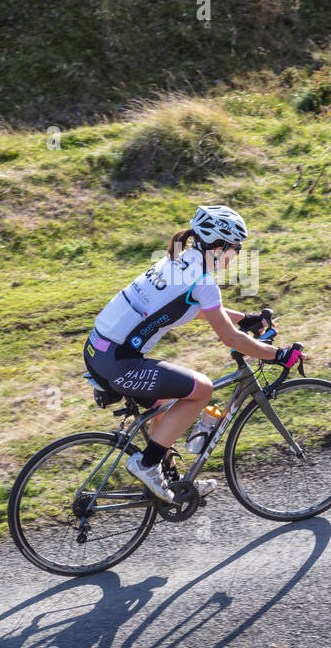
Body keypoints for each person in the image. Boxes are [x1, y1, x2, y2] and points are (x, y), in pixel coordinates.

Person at [83, 205, 305, 501]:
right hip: (120, 363)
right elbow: (231, 339)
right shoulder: (204, 281)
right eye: (236, 248)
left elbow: (190, 309)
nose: (237, 255)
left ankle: (171, 481)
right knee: (202, 389)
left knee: (165, 405)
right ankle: (146, 464)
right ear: (218, 246)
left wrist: (246, 317)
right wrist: (277, 354)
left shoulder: (175, 261)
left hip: (97, 350)